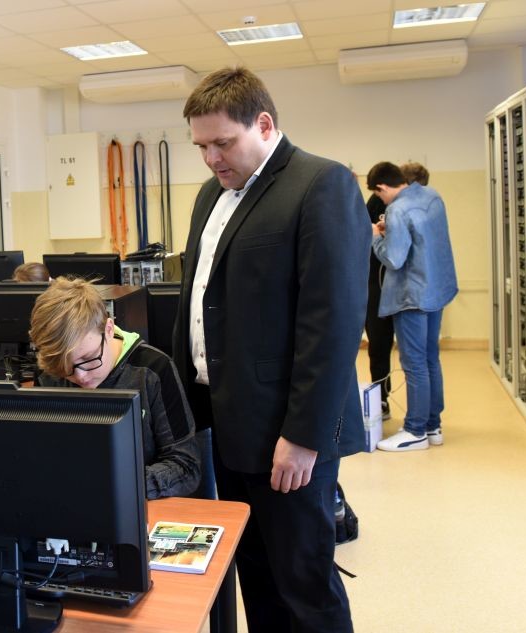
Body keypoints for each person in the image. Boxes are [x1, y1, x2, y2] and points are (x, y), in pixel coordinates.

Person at [174, 67, 369, 633]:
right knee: (255, 573)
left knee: (303, 581)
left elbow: (331, 324)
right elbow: (201, 297)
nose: (211, 158)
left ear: (263, 124)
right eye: (201, 147)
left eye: (222, 142)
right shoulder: (212, 194)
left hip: (287, 428)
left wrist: (304, 437)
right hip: (224, 420)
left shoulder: (320, 183)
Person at [30, 277, 200, 499]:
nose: (80, 376)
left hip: (140, 502)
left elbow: (186, 466)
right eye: (65, 368)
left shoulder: (153, 370)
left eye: (89, 359)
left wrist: (116, 485)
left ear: (109, 329)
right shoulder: (49, 375)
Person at [368, 161, 457, 451]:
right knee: (431, 359)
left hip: (411, 296)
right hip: (435, 290)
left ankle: (415, 430)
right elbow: (422, 241)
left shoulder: (397, 209)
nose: (381, 201)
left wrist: (376, 238)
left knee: (414, 363)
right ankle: (432, 425)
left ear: (382, 187)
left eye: (379, 195)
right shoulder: (432, 197)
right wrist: (392, 233)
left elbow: (394, 259)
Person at [365, 190, 394, 419]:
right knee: (378, 347)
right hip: (375, 287)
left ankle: (420, 418)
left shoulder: (406, 208)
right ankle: (381, 398)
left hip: (399, 288)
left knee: (413, 358)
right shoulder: (374, 203)